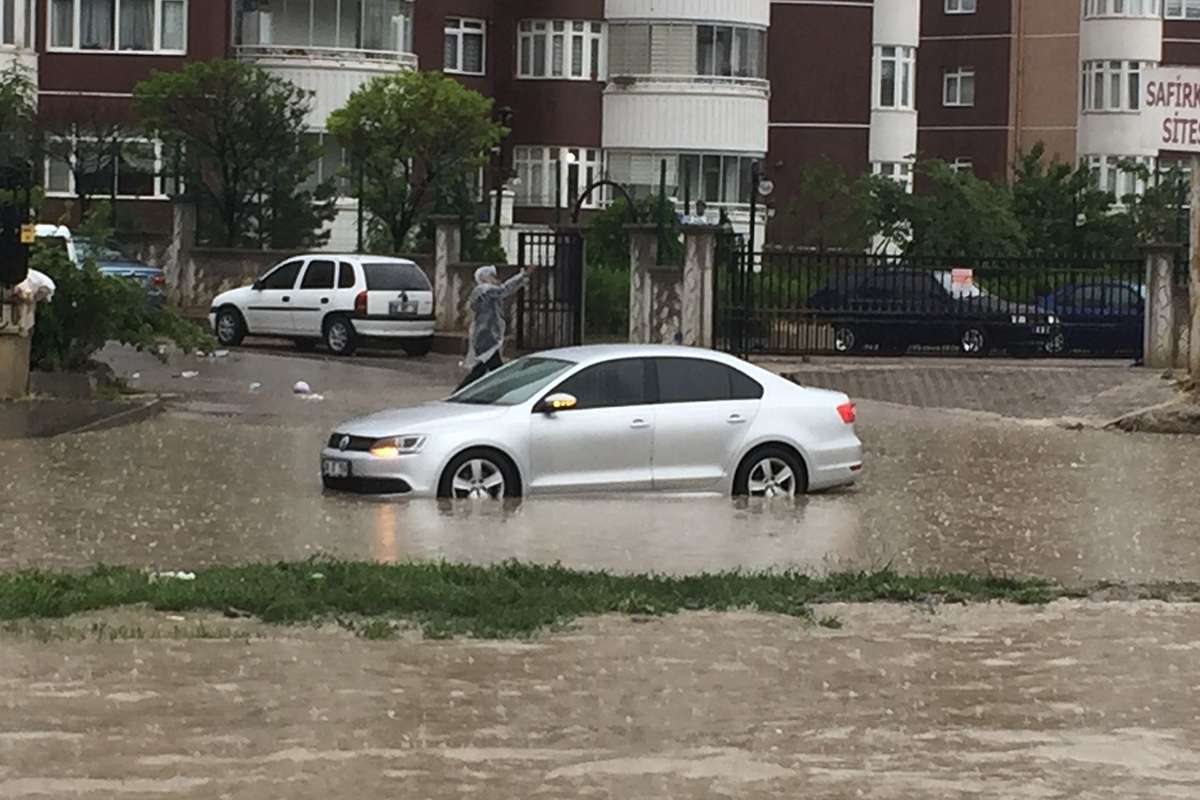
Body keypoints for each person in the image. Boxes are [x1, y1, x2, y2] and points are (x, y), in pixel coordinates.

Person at [455, 264, 535, 391]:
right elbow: (504, 290)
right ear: (484, 277)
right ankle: (505, 391)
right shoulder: (484, 290)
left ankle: (462, 391)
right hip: (486, 336)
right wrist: (522, 276)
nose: (495, 278)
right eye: (492, 276)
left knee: (482, 369)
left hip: (486, 335)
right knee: (494, 369)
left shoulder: (484, 291)